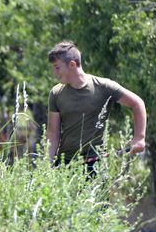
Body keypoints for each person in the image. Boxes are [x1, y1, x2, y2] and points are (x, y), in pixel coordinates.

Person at [46, 40, 147, 168]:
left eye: (57, 67)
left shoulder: (104, 86)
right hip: (65, 163)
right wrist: (48, 162)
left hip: (97, 163)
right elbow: (53, 133)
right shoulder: (56, 93)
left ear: (72, 64)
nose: (54, 73)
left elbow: (137, 103)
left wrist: (139, 138)